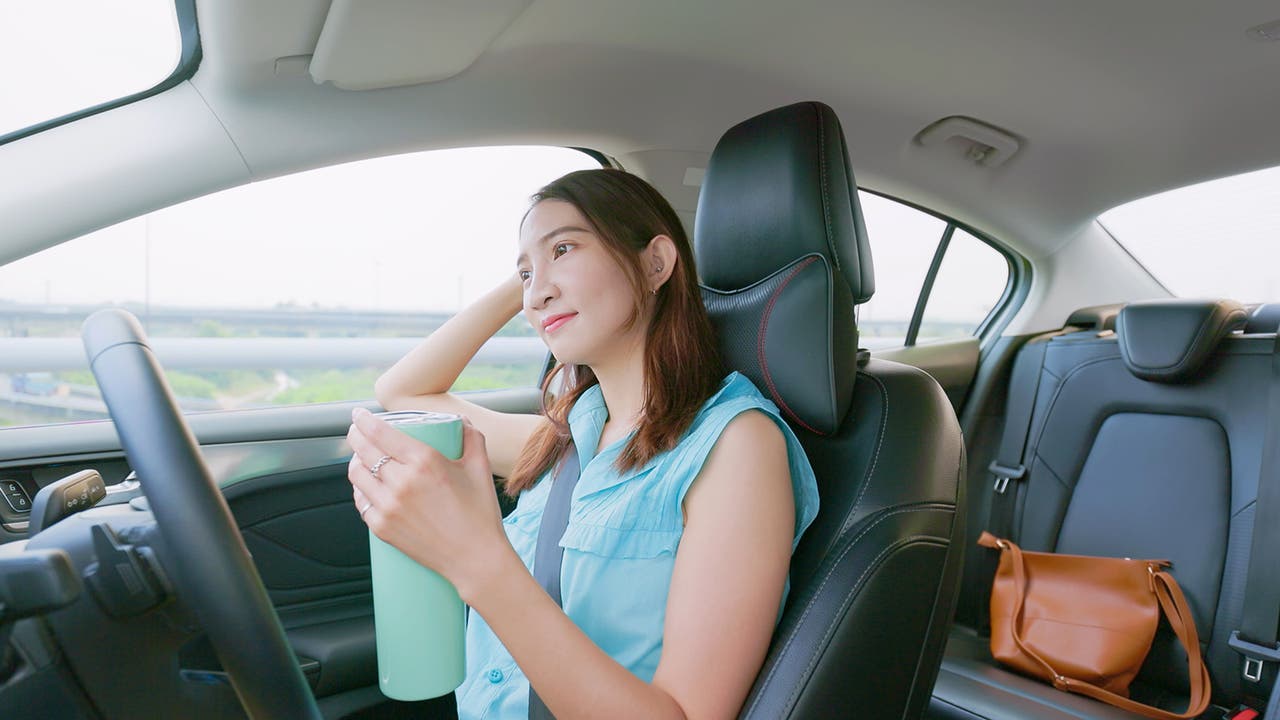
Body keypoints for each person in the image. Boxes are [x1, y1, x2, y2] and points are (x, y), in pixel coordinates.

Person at [346, 168, 819, 719]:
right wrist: (533, 271)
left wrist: (475, 559)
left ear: (655, 263)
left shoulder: (734, 447)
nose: (536, 294)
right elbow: (403, 391)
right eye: (525, 274)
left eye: (566, 248)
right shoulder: (563, 441)